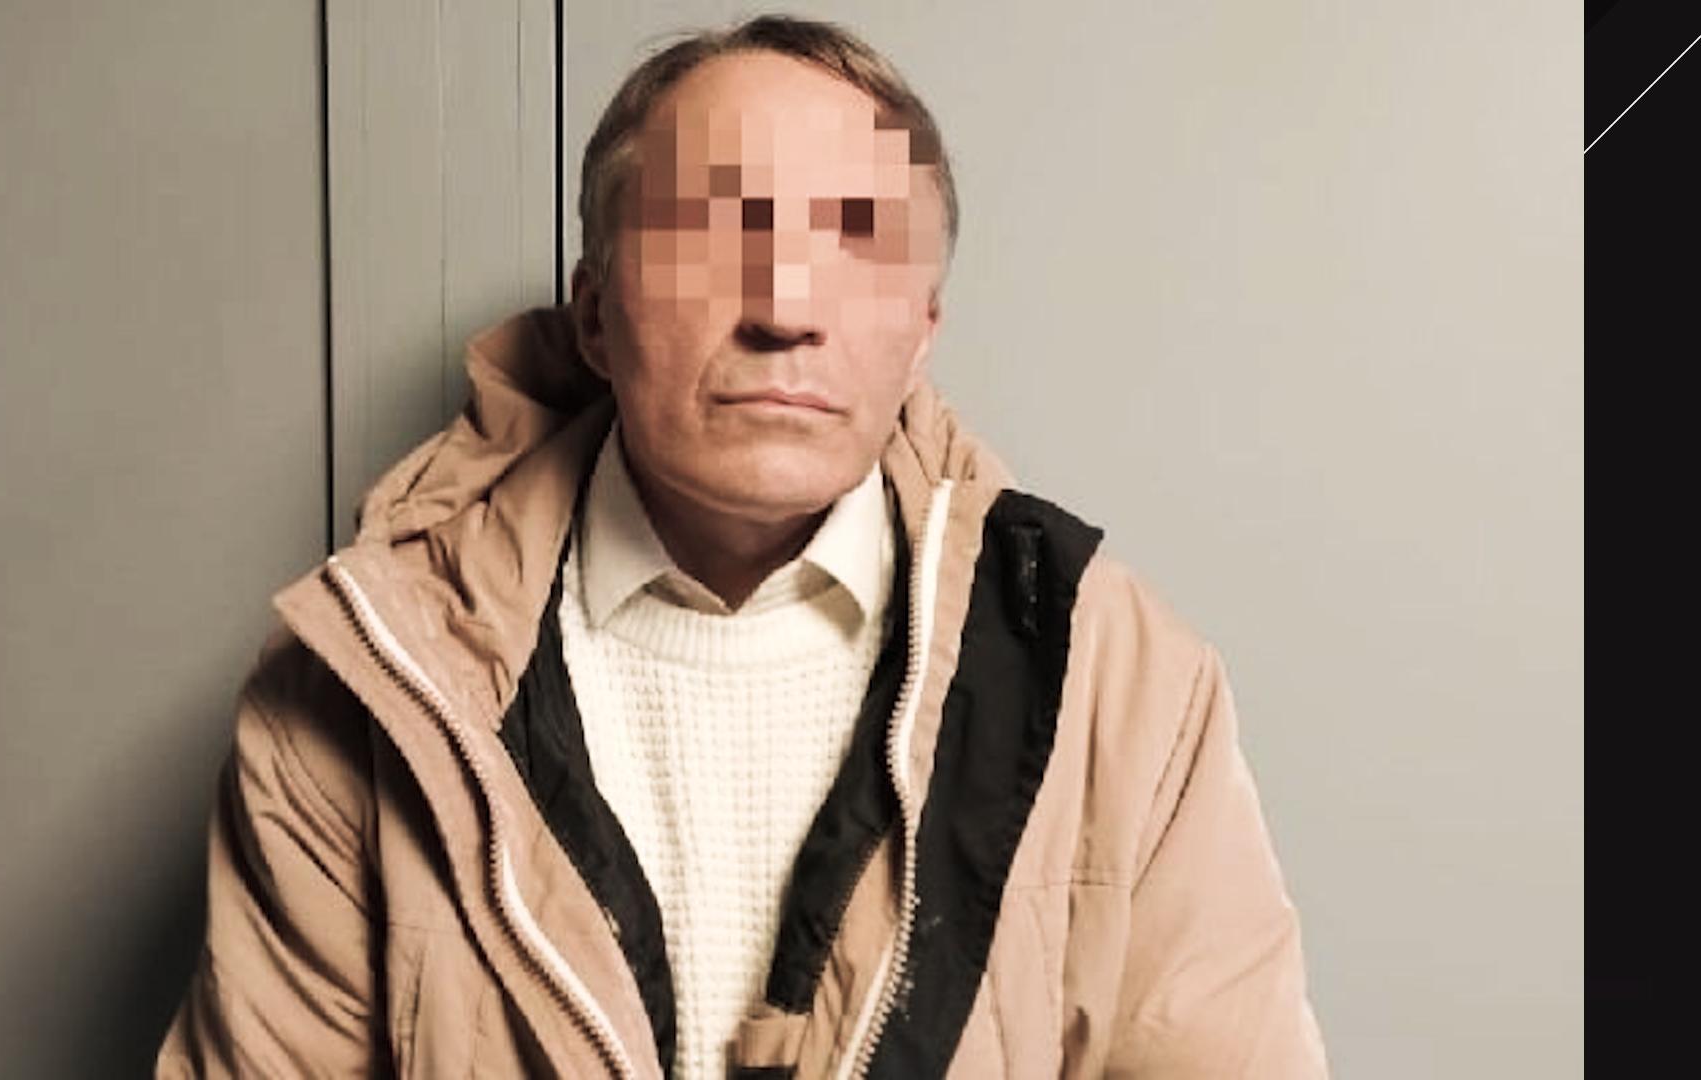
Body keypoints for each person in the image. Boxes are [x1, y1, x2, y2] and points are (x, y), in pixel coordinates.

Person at [156, 14, 1329, 1079]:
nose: (785, 308)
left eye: (858, 240)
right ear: (596, 313)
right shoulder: (359, 685)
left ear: (921, 334)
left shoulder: (1112, 672)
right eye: (714, 231)